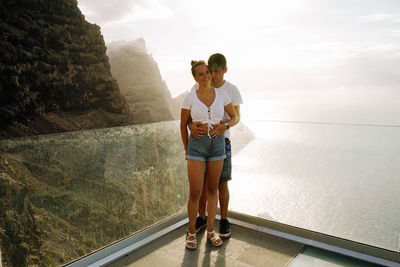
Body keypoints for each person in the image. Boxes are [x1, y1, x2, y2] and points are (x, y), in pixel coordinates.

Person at [180, 60, 237, 249]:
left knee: (213, 189)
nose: (206, 76)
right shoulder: (190, 97)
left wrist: (225, 125)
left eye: (207, 73)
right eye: (201, 74)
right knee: (196, 191)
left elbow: (234, 116)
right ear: (195, 77)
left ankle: (211, 230)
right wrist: (187, 149)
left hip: (218, 146)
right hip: (197, 146)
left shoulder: (222, 94)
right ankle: (191, 231)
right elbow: (183, 124)